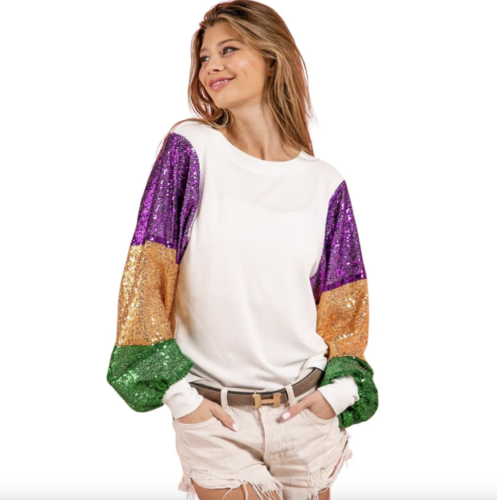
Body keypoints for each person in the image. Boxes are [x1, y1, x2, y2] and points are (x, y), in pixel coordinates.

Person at [106, 1, 379, 499]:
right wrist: (179, 397)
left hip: (306, 416)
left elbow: (344, 307)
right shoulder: (191, 149)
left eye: (228, 50)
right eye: (204, 57)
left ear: (272, 59)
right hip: (216, 420)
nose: (211, 66)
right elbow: (147, 279)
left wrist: (338, 393)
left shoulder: (323, 183)